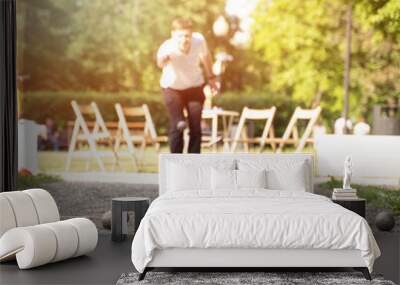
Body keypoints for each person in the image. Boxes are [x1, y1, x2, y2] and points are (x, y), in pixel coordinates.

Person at [157, 19, 219, 153]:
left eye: (187, 36)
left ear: (192, 34)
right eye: (180, 36)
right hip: (172, 88)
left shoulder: (199, 40)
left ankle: (193, 164)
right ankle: (175, 163)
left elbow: (206, 57)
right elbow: (159, 63)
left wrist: (212, 78)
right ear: (173, 34)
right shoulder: (167, 46)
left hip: (195, 86)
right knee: (178, 124)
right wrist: (164, 60)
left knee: (196, 126)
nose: (184, 39)